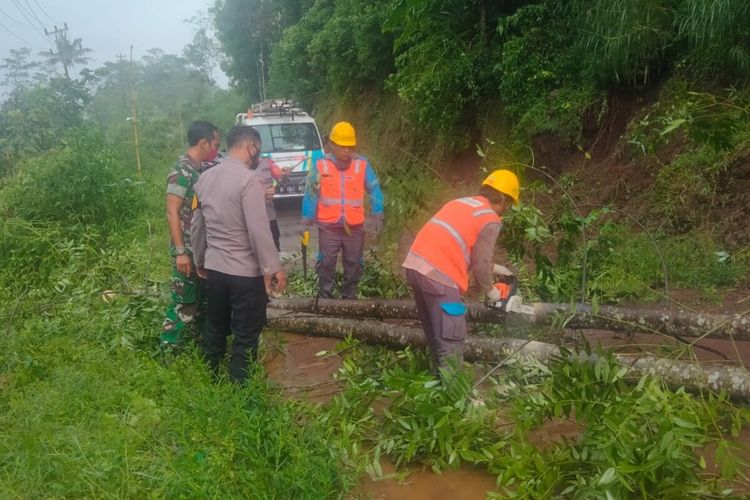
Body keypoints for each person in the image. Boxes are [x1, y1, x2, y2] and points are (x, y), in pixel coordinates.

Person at [191, 125, 287, 382]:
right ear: (250, 147)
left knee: (216, 325)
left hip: (216, 270)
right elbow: (258, 229)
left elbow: (198, 224)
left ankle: (209, 378)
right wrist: (272, 268)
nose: (257, 156)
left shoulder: (205, 178)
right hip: (244, 273)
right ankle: (240, 389)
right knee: (245, 332)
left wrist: (200, 259)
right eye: (258, 150)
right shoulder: (249, 181)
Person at [402, 169, 520, 376]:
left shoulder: (460, 203)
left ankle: (438, 382)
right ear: (503, 199)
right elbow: (479, 264)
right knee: (451, 337)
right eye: (508, 204)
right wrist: (491, 291)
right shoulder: (490, 218)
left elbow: (458, 244)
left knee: (435, 333)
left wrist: (495, 268)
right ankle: (455, 397)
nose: (506, 209)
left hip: (415, 265)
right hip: (440, 275)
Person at [301, 121, 384, 299]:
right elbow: (311, 194)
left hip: (354, 227)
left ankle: (349, 297)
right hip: (329, 226)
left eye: (350, 147)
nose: (347, 151)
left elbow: (374, 189)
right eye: (342, 147)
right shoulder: (320, 165)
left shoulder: (362, 164)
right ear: (332, 145)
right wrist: (306, 221)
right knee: (326, 262)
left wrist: (378, 213)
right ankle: (325, 297)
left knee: (354, 263)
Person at [160, 120, 220, 347]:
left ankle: (199, 349)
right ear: (203, 143)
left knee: (203, 302)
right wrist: (180, 252)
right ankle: (168, 350)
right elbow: (172, 212)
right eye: (215, 143)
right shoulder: (181, 171)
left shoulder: (202, 169)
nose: (217, 148)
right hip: (186, 250)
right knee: (183, 302)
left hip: (202, 249)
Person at [256, 156, 289, 251]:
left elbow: (281, 179)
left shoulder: (267, 162)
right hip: (250, 217)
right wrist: (261, 194)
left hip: (269, 215)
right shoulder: (237, 166)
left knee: (274, 247)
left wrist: (285, 175)